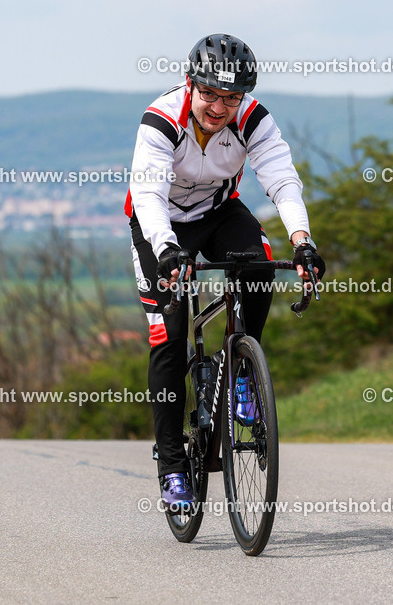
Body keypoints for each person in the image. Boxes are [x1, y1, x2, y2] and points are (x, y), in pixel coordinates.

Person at [125, 34, 325, 510]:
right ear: (191, 84)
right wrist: (169, 251)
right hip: (161, 225)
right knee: (170, 335)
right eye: (210, 94)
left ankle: (241, 372)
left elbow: (281, 178)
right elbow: (149, 195)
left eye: (230, 98)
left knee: (258, 266)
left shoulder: (254, 119)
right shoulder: (160, 120)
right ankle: (172, 464)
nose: (219, 107)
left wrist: (302, 241)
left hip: (218, 212)